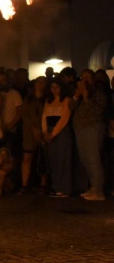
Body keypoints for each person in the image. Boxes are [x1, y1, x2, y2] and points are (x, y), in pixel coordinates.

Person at [72, 69, 107, 201]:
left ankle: (99, 190)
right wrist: (76, 96)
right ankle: (93, 186)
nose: (85, 79)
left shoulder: (98, 93)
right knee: (85, 158)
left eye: (88, 77)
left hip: (93, 127)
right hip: (80, 129)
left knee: (94, 159)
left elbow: (97, 110)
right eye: (83, 77)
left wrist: (86, 98)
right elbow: (70, 107)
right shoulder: (78, 93)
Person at [42, 78, 72, 198]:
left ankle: (64, 188)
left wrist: (53, 134)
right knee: (53, 160)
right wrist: (45, 132)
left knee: (63, 160)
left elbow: (64, 118)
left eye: (57, 87)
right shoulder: (48, 101)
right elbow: (44, 117)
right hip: (49, 132)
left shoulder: (66, 100)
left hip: (61, 132)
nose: (54, 90)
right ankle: (56, 186)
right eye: (52, 87)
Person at [20, 77, 48, 194]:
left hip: (44, 130)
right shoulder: (28, 99)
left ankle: (43, 184)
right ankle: (24, 185)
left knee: (43, 157)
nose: (40, 84)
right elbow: (25, 115)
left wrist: (41, 130)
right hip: (29, 131)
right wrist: (33, 128)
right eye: (38, 81)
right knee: (27, 157)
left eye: (43, 82)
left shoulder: (47, 99)